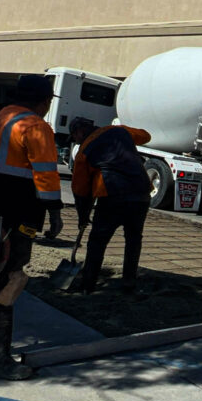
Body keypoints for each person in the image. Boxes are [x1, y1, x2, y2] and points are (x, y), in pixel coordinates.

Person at [0, 75, 63, 380]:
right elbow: (46, 175)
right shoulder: (35, 126)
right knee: (9, 278)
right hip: (13, 215)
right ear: (43, 101)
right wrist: (55, 214)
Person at [68, 116, 152, 294]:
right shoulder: (118, 130)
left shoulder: (84, 150)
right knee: (134, 239)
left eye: (74, 136)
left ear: (79, 132)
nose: (75, 140)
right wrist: (122, 133)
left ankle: (88, 284)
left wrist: (83, 217)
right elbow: (145, 136)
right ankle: (129, 282)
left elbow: (81, 191)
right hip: (141, 193)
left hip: (113, 196)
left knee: (97, 241)